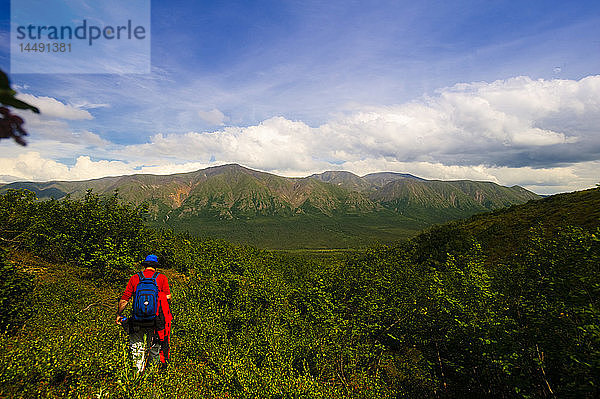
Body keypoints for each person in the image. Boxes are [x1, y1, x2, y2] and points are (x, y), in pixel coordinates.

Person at [116, 254, 173, 374]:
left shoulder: (135, 278)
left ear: (145, 265)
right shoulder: (161, 278)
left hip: (137, 319)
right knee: (154, 346)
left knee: (137, 346)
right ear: (155, 267)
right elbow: (168, 297)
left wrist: (118, 314)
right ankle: (151, 375)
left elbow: (124, 299)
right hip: (155, 320)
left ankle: (137, 374)